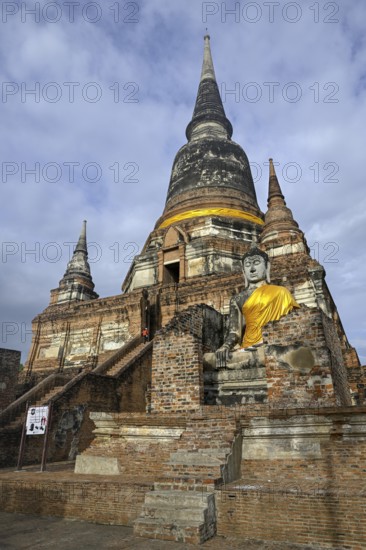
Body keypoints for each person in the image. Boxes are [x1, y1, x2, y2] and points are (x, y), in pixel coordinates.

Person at [215, 245, 299, 368]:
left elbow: (291, 324)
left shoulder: (281, 292)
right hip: (248, 348)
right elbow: (235, 332)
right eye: (248, 265)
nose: (252, 269)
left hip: (273, 345)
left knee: (282, 352)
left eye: (256, 263)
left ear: (267, 267)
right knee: (212, 359)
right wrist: (225, 346)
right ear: (243, 271)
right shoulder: (237, 299)